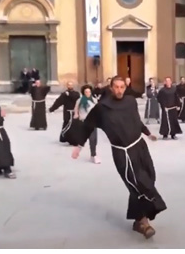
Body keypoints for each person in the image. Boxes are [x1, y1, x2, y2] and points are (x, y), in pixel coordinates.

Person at [71, 76, 167, 239]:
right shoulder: (102, 107)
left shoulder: (131, 102)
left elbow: (136, 121)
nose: (119, 90)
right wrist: (79, 146)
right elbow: (88, 125)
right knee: (138, 184)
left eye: (122, 87)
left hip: (140, 146)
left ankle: (138, 221)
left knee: (149, 178)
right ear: (111, 87)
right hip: (123, 152)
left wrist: (148, 133)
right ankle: (144, 222)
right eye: (116, 87)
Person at [68, 85, 100, 164]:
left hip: (92, 122)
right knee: (81, 140)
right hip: (83, 122)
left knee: (93, 139)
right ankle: (76, 152)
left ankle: (93, 155)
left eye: (89, 92)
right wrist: (76, 114)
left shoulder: (94, 100)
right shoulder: (80, 100)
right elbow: (76, 108)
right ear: (83, 92)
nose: (88, 93)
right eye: (86, 92)